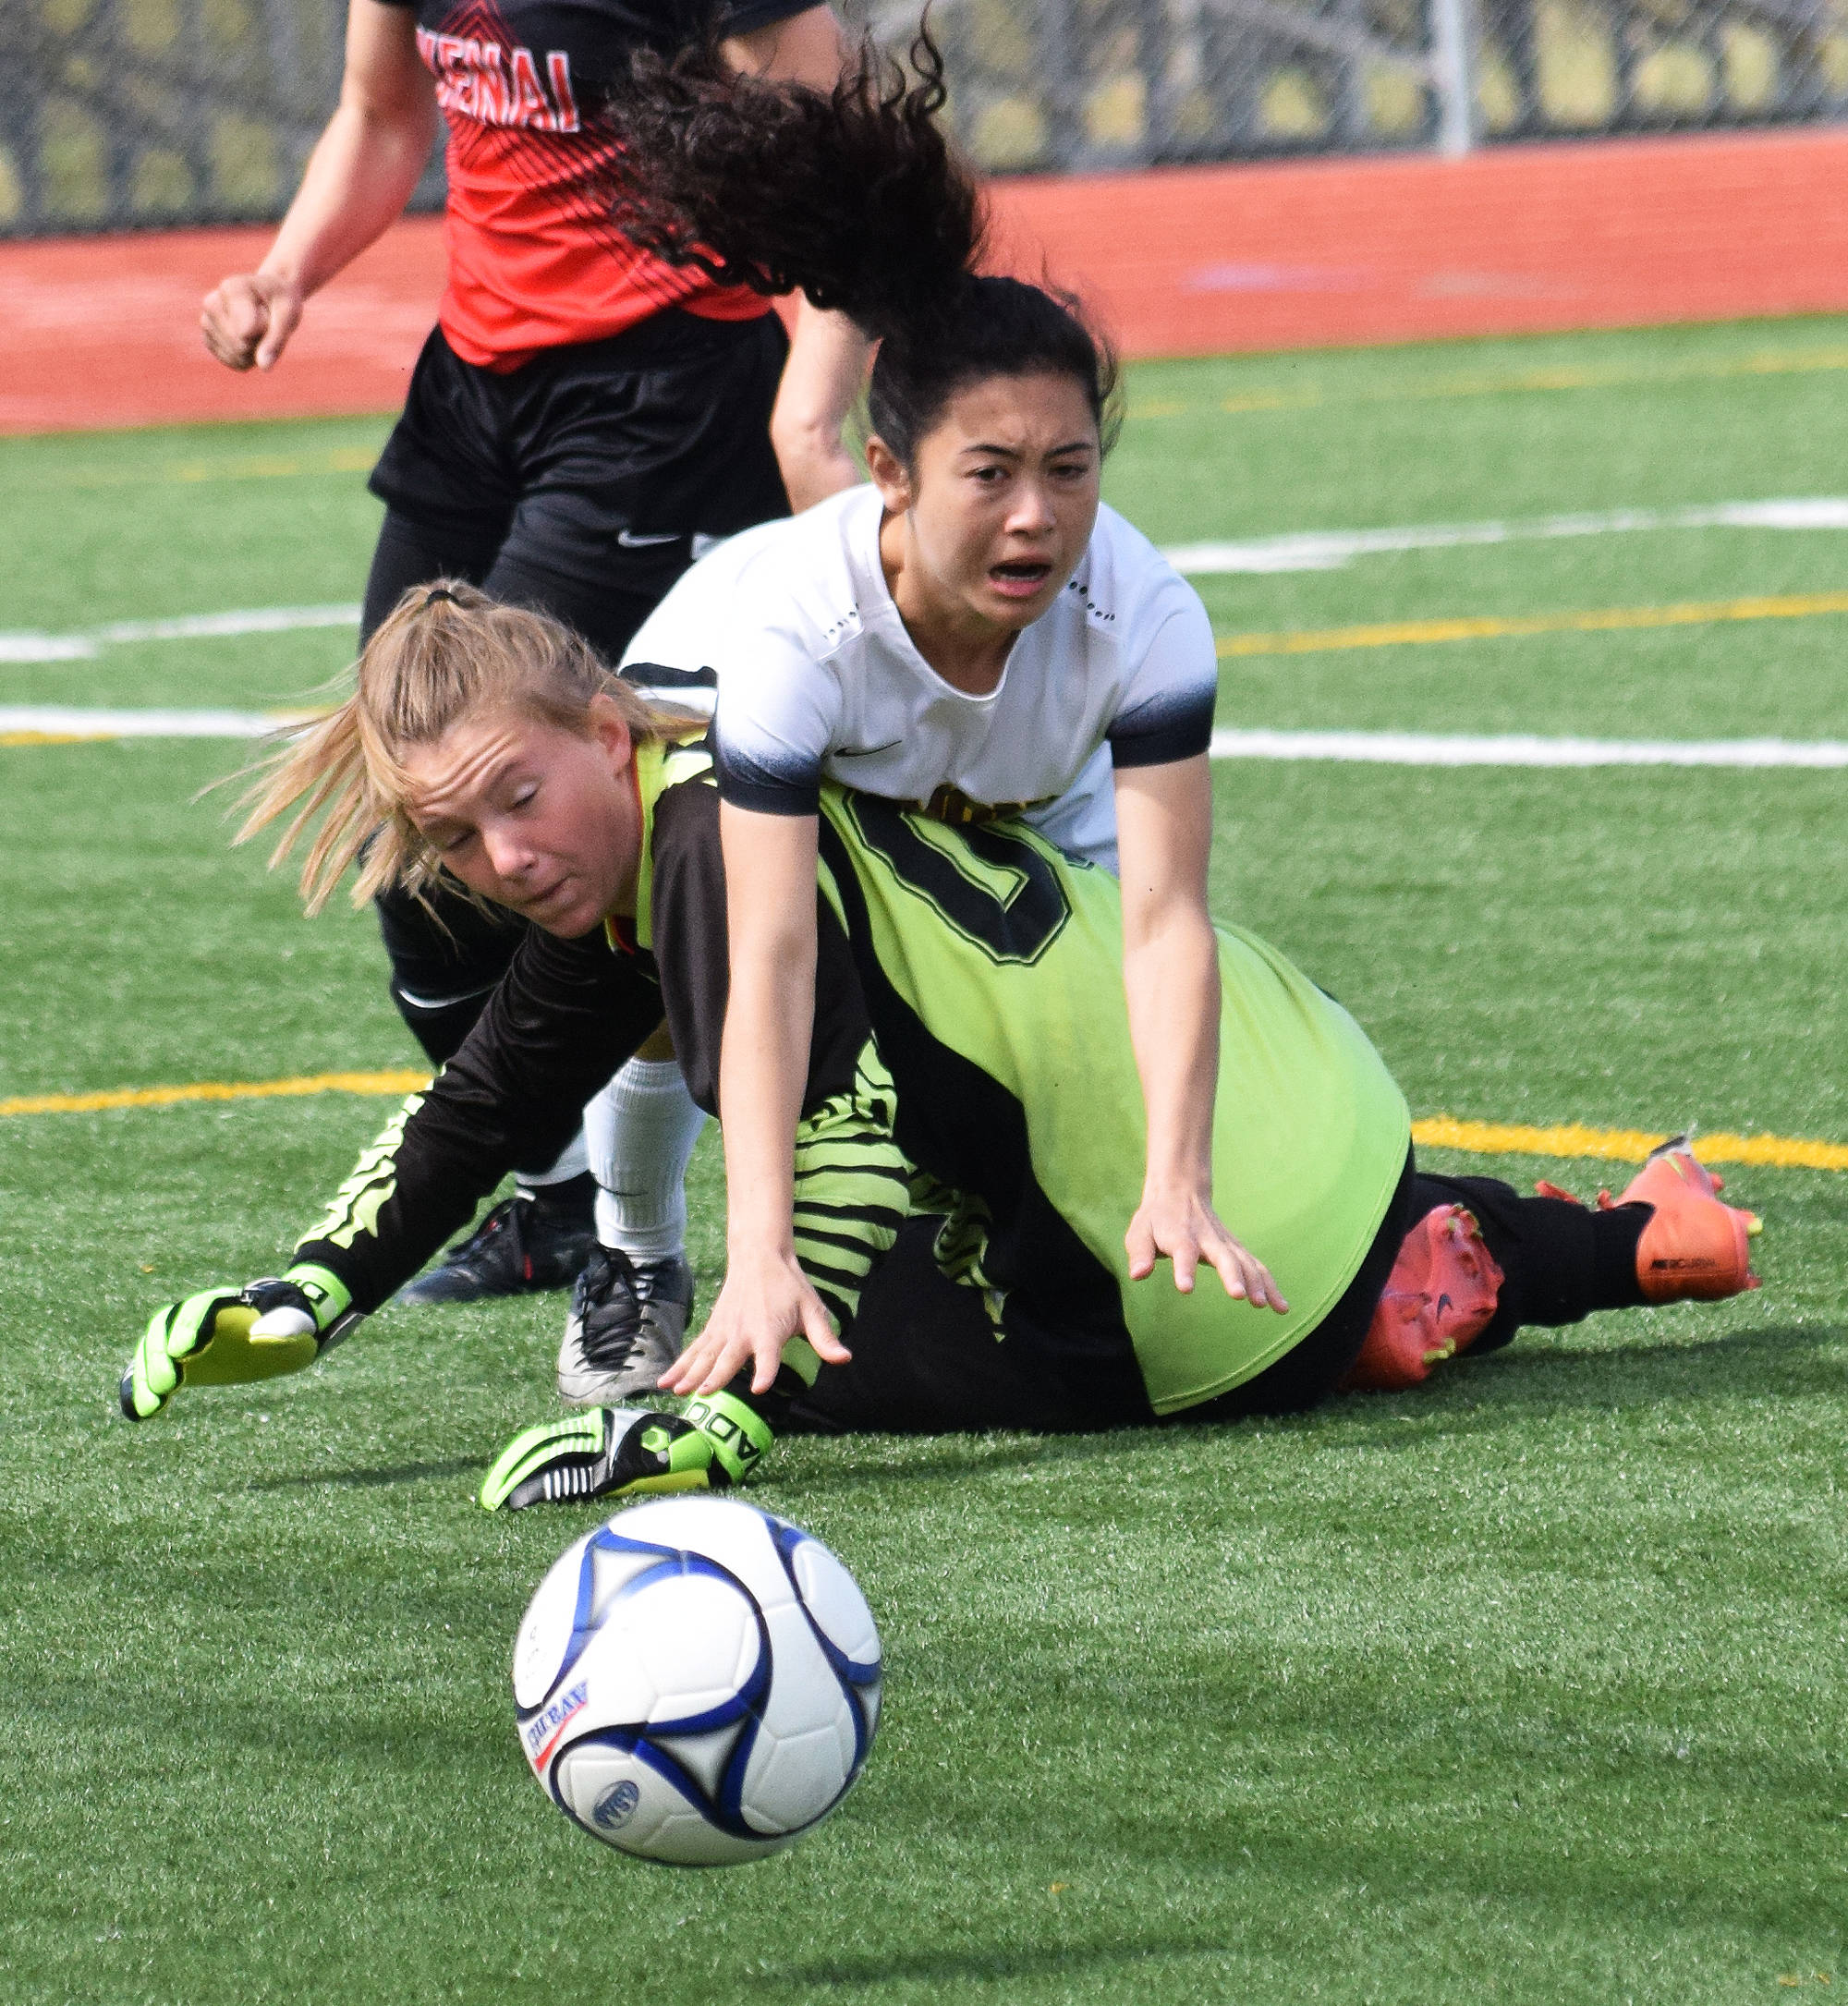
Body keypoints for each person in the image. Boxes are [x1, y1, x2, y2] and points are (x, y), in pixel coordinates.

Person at [117, 588, 1764, 1514]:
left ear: (605, 732)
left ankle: (1370, 1323)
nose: (503, 855)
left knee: (820, 1330)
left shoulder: (697, 854)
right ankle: (1619, 1243)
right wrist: (309, 1293)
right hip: (1290, 1099)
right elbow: (484, 1101)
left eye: (519, 794)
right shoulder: (700, 794)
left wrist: (736, 1411)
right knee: (917, 1223)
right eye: (458, 835)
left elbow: (838, 1125)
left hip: (1167, 1292)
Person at [578, 32, 1286, 1405]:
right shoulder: (785, 637)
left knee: (1039, 1026)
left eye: (1071, 469)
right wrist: (760, 1251)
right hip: (755, 715)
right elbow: (770, 957)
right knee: (671, 963)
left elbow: (1161, 926)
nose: (1039, 513)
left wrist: (1178, 1180)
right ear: (894, 474)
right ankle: (629, 1251)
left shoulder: (1146, 621)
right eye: (994, 473)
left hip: (999, 791)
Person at [197, 0, 872, 1376]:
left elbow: (849, 170)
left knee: (587, 838)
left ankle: (641, 1237)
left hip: (663, 394)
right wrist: (287, 270)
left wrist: (809, 418)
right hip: (474, 387)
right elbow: (385, 117)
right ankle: (558, 1197)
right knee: (417, 837)